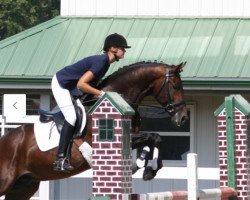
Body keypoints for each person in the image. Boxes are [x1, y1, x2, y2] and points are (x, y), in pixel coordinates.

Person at [52, 33, 131, 171]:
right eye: (123, 48)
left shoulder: (105, 63)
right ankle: (60, 159)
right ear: (112, 48)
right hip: (61, 84)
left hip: (71, 86)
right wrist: (101, 94)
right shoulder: (101, 62)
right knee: (71, 117)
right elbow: (81, 84)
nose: (124, 51)